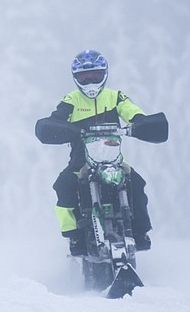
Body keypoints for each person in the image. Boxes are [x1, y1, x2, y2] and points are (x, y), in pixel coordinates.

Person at [35, 49, 154, 256]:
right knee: (63, 185)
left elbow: (132, 111)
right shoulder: (71, 100)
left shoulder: (116, 97)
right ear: (76, 78)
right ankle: (74, 235)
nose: (90, 81)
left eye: (95, 76)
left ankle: (140, 232)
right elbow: (56, 119)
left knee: (137, 183)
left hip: (114, 158)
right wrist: (59, 128)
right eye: (85, 77)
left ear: (104, 75)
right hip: (81, 162)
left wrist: (139, 122)